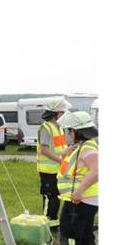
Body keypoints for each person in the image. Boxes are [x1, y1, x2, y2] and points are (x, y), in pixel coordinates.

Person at [54, 111, 98, 245]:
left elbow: (97, 171)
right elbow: (69, 172)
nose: (66, 133)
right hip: (85, 200)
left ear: (75, 131)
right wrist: (65, 154)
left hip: (79, 201)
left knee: (70, 239)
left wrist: (78, 192)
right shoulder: (82, 147)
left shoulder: (87, 148)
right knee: (85, 237)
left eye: (68, 130)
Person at [36, 96, 72, 231]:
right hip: (47, 171)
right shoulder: (46, 128)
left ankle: (54, 225)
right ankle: (46, 226)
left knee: (57, 197)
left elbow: (60, 148)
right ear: (56, 113)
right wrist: (60, 160)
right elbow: (44, 150)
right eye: (62, 112)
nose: (64, 115)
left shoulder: (59, 127)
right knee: (50, 198)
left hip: (57, 169)